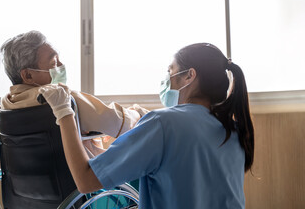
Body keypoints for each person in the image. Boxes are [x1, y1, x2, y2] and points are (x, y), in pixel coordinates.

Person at [39, 43, 255, 208]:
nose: (167, 79)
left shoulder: (163, 123)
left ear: (190, 75)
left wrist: (64, 112)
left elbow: (86, 181)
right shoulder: (233, 129)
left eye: (171, 71)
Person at [0, 30, 149, 157]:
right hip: (83, 185)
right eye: (54, 63)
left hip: (31, 187)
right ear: (28, 75)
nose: (62, 66)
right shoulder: (62, 99)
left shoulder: (7, 104)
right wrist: (137, 112)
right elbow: (118, 123)